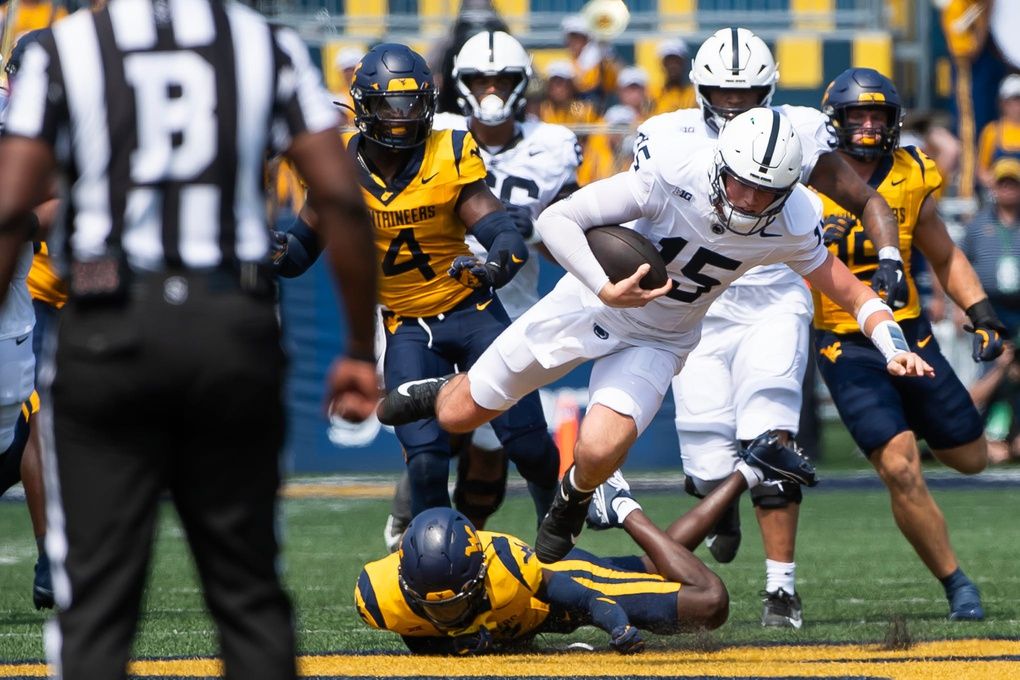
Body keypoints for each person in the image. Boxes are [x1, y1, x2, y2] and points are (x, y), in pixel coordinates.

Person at [0, 1, 379, 678]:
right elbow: (341, 197)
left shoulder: (67, 50)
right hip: (227, 318)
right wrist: (355, 348)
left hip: (107, 323)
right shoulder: (264, 45)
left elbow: (8, 210)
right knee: (249, 595)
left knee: (94, 602)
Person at [379, 107, 934, 567]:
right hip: (585, 304)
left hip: (662, 338)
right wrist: (603, 285)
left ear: (787, 190)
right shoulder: (675, 171)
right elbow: (556, 221)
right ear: (721, 164)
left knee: (598, 448)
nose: (744, 199)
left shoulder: (792, 223)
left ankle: (572, 499)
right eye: (738, 180)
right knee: (457, 417)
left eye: (762, 191)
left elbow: (855, 295)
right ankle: (435, 390)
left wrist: (896, 348)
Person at [633, 27, 908, 628]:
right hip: (697, 308)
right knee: (707, 468)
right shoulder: (667, 135)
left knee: (773, 444)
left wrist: (888, 259)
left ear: (771, 88)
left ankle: (780, 589)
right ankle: (721, 503)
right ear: (700, 89)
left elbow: (866, 198)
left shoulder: (801, 128)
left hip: (774, 301)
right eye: (722, 93)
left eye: (748, 93)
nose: (733, 105)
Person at [273, 43, 560, 523]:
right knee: (426, 461)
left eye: (413, 104)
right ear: (366, 106)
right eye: (391, 104)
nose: (403, 117)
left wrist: (495, 267)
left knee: (528, 442)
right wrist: (266, 244)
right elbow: (297, 255)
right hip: (408, 327)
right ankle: (435, 564)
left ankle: (560, 534)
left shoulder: (447, 150)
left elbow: (501, 232)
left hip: (474, 313)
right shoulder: (340, 170)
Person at [813, 67, 1006, 621]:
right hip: (846, 343)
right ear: (837, 120)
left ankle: (910, 430)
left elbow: (942, 253)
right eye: (858, 115)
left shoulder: (912, 173)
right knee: (899, 468)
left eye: (878, 115)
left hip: (912, 333)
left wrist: (981, 313)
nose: (869, 126)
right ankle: (956, 583)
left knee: (970, 459)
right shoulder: (807, 181)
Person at [379, 31, 581, 548]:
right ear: (459, 85)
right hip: (430, 301)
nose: (491, 91)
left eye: (503, 80)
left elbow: (576, 242)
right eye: (480, 79)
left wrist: (537, 230)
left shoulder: (553, 145)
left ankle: (468, 549)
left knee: (499, 450)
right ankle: (423, 526)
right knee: (435, 439)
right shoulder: (434, 133)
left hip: (508, 309)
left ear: (522, 84)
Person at [355, 432, 818, 654]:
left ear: (479, 574)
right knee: (653, 565)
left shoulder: (510, 569)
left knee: (711, 602)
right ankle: (753, 467)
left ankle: (619, 507)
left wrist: (612, 625)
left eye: (458, 604)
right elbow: (427, 639)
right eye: (439, 607)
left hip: (567, 585)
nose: (449, 616)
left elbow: (582, 597)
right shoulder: (379, 598)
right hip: (543, 609)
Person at [962, 157, 1020, 338]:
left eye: (1013, 184)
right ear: (994, 187)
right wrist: (962, 306)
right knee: (992, 358)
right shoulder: (976, 224)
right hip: (989, 306)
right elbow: (960, 263)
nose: (1008, 188)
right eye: (1003, 183)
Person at [976, 74, 1020, 192]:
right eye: (1015, 100)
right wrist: (993, 183)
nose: (1017, 105)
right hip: (998, 194)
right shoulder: (992, 131)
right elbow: (982, 169)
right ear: (1003, 103)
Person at [650, 38, 695, 117]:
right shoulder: (652, 94)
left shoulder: (694, 94)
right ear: (662, 65)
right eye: (668, 62)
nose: (672, 66)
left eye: (676, 61)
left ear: (684, 63)